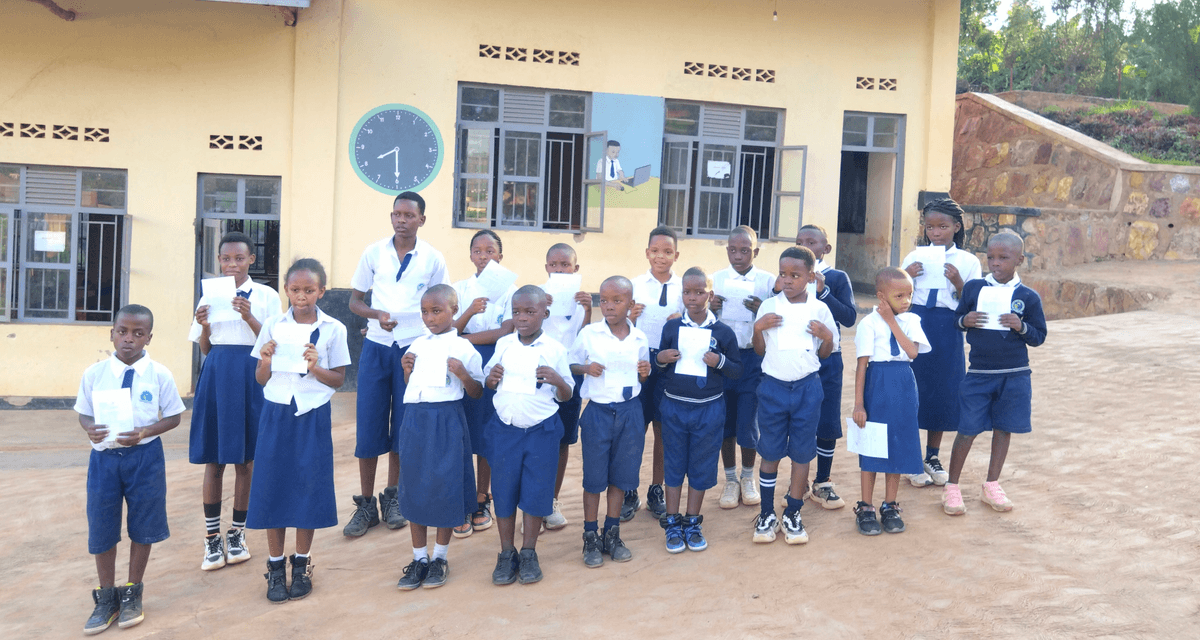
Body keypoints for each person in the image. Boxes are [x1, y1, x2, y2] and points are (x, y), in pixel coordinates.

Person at [77, 304, 185, 634]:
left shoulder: (160, 375)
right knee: (102, 524)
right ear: (111, 333)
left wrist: (145, 432)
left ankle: (132, 592)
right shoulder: (94, 374)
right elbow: (84, 412)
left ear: (148, 338)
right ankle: (106, 597)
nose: (129, 339)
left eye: (138, 334)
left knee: (144, 523)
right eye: (122, 332)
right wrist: (89, 427)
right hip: (105, 460)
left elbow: (174, 416)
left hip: (145, 458)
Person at [347, 191, 449, 537]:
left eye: (408, 215)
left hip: (414, 348)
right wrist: (377, 314)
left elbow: (442, 304)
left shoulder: (433, 258)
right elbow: (355, 301)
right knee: (369, 422)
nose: (401, 220)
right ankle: (365, 504)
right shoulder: (373, 253)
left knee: (403, 425)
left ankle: (393, 498)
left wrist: (431, 329)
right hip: (377, 345)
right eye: (396, 214)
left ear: (422, 219)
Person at [248, 258, 350, 603]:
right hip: (275, 411)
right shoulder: (273, 325)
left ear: (322, 290)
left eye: (309, 290)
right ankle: (275, 566)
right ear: (286, 290)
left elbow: (338, 379)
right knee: (272, 485)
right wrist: (264, 361)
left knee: (307, 485)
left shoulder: (334, 328)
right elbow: (261, 378)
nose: (301, 296)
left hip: (311, 413)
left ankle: (301, 562)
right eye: (295, 290)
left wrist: (316, 367)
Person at [188, 231, 282, 572]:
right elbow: (206, 349)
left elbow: (273, 343)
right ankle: (212, 538)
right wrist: (203, 327)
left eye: (239, 259)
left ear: (251, 260)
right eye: (226, 259)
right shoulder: (209, 295)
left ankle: (237, 533)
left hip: (250, 374)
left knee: (246, 459)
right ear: (219, 260)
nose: (232, 265)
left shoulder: (267, 296)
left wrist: (249, 316)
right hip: (217, 373)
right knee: (214, 460)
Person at [943, 233, 1047, 515]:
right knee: (967, 429)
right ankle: (952, 487)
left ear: (1019, 260)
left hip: (1015, 375)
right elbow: (956, 320)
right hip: (979, 373)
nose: (995, 263)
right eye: (990, 257)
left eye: (1003, 258)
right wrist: (965, 320)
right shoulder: (975, 289)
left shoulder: (1028, 297)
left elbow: (1039, 337)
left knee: (1004, 428)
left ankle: (992, 484)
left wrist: (1020, 326)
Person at [483, 285, 575, 585]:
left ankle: (529, 552)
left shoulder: (556, 349)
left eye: (530, 312)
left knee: (536, 492)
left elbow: (566, 394)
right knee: (504, 490)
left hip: (541, 431)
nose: (522, 318)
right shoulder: (505, 344)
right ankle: (506, 552)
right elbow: (489, 382)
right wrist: (491, 379)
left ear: (544, 314)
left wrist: (557, 380)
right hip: (505, 430)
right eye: (517, 312)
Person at [396, 285, 485, 590]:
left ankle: (440, 558)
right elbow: (413, 384)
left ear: (454, 310)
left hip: (447, 419)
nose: (430, 318)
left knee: (445, 485)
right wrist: (406, 369)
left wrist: (462, 374)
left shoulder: (464, 348)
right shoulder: (416, 344)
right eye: (425, 311)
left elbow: (477, 391)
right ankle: (419, 558)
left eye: (437, 311)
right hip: (415, 420)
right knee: (415, 485)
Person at [750, 247, 837, 545]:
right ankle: (766, 512)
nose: (787, 280)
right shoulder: (769, 306)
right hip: (773, 387)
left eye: (795, 275)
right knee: (770, 451)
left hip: (807, 387)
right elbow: (759, 350)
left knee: (802, 452)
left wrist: (827, 336)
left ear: (810, 277)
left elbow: (825, 353)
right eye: (783, 274)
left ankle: (793, 510)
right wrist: (758, 329)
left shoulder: (819, 310)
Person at [655, 267, 742, 553]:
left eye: (699, 292)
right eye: (687, 292)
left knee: (702, 465)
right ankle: (672, 520)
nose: (692, 298)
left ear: (710, 294)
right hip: (675, 407)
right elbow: (659, 365)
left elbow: (737, 371)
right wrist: (661, 358)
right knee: (674, 464)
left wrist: (719, 362)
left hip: (709, 409)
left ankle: (692, 521)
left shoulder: (723, 332)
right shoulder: (671, 328)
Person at [569, 276, 652, 567]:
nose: (609, 306)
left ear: (631, 304)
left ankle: (612, 532)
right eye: (604, 300)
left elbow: (644, 372)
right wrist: (585, 368)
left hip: (630, 412)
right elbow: (570, 364)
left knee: (622, 475)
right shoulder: (590, 334)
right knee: (594, 479)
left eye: (617, 301)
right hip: (598, 412)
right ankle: (590, 535)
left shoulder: (640, 338)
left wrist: (645, 371)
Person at [901, 198, 982, 487]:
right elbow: (897, 295)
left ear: (956, 227)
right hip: (915, 323)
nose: (935, 233)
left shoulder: (969, 262)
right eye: (930, 227)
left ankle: (932, 456)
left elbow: (973, 303)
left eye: (942, 227)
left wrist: (960, 283)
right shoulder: (913, 257)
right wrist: (906, 277)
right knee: (912, 390)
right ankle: (910, 458)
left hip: (947, 327)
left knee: (941, 391)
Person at [850, 267, 930, 535]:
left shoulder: (912, 321)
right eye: (899, 296)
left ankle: (890, 505)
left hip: (904, 385)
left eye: (909, 295)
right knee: (872, 445)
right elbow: (862, 366)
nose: (906, 301)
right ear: (881, 296)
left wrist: (892, 321)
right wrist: (859, 404)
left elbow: (912, 352)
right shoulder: (868, 324)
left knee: (897, 444)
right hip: (877, 384)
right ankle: (866, 506)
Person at [451, 229, 516, 537]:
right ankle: (462, 497)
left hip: (492, 361)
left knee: (485, 433)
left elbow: (505, 330)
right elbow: (447, 328)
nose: (484, 256)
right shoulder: (460, 289)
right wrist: (470, 310)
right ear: (471, 256)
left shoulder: (509, 290)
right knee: (462, 431)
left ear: (500, 256)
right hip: (461, 362)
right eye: (478, 251)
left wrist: (464, 337)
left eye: (490, 251)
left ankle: (481, 496)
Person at [710, 226, 775, 509]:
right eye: (733, 250)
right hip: (724, 359)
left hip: (753, 359)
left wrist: (763, 307)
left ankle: (748, 477)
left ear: (756, 252)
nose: (738, 255)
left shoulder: (768, 281)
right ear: (727, 250)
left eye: (745, 250)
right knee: (725, 422)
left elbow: (777, 316)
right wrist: (710, 307)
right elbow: (705, 318)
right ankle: (730, 479)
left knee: (749, 422)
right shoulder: (718, 279)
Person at [795, 224, 857, 510]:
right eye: (800, 241)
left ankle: (823, 480)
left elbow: (848, 317)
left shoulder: (836, 277)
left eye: (812, 241)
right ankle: (799, 483)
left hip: (829, 359)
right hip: (797, 357)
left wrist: (824, 292)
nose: (806, 245)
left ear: (826, 248)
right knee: (799, 418)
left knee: (828, 418)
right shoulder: (790, 277)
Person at [627, 226, 684, 520]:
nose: (660, 257)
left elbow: (694, 324)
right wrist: (630, 317)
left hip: (670, 364)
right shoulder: (634, 285)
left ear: (676, 255)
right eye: (654, 251)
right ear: (646, 253)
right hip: (639, 362)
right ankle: (628, 488)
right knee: (635, 429)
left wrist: (681, 319)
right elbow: (619, 325)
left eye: (667, 252)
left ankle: (656, 488)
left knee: (663, 430)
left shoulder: (683, 288)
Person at [542, 243, 593, 530]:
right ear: (546, 267)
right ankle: (533, 502)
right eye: (554, 265)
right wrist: (541, 306)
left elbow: (585, 339)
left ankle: (551, 501)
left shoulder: (581, 300)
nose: (560, 270)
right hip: (539, 376)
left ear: (576, 269)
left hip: (570, 376)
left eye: (566, 266)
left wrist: (587, 310)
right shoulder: (537, 294)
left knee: (563, 439)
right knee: (536, 437)